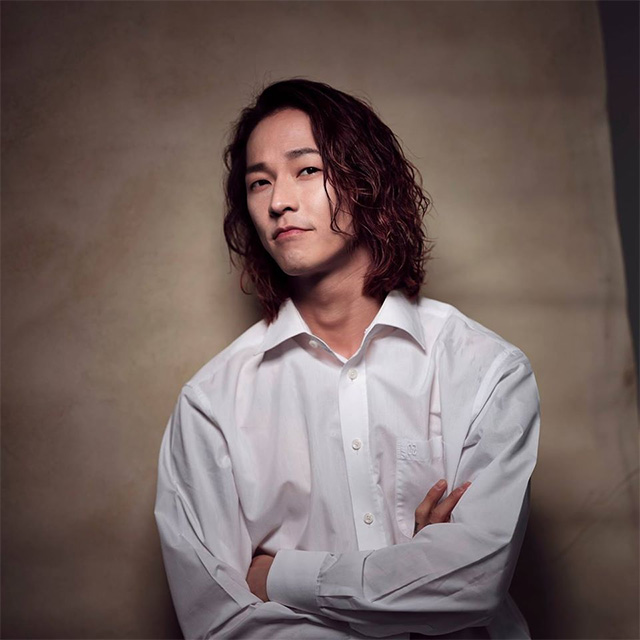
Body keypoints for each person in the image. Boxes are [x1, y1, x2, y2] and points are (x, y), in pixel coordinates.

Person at [154, 79, 540, 640]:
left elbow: (473, 583)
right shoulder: (210, 404)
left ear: (366, 181)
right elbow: (222, 622)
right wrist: (415, 570)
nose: (278, 201)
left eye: (306, 169)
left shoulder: (486, 369)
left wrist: (278, 576)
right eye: (259, 182)